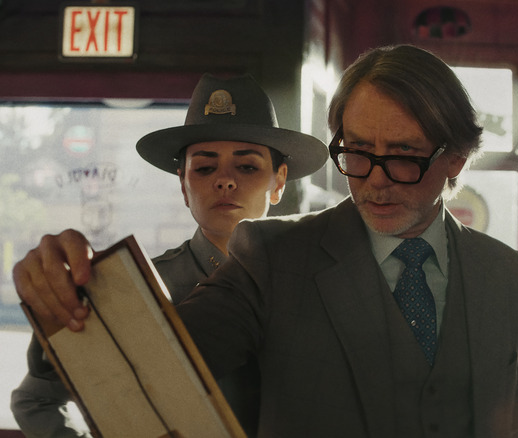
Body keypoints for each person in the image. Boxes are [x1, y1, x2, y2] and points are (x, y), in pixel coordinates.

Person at [13, 44, 518, 437]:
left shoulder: (505, 273)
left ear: (455, 159)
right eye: (357, 152)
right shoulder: (272, 257)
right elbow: (156, 359)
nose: (375, 179)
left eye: (404, 155)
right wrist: (66, 295)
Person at [10, 73, 329, 438]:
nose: (224, 180)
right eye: (205, 167)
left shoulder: (320, 286)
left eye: (247, 166)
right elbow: (35, 402)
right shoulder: (139, 292)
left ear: (279, 181)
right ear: (183, 184)